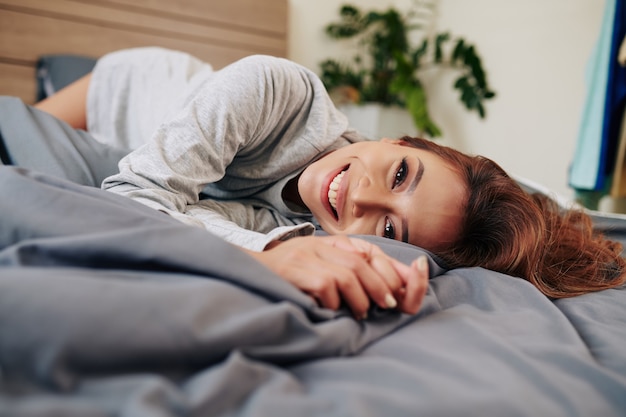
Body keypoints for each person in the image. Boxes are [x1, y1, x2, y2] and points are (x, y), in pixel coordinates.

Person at [19, 47, 626, 315]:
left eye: (388, 226)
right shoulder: (273, 88)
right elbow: (128, 197)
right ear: (401, 139)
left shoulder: (306, 228)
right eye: (399, 172)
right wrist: (267, 259)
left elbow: (190, 219)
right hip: (118, 92)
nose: (358, 198)